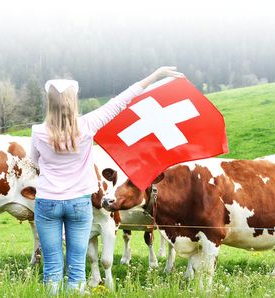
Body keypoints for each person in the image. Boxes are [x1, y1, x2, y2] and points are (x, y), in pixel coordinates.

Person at [30, 66, 184, 294]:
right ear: (73, 101)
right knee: (76, 268)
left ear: (49, 103)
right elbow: (121, 100)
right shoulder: (88, 125)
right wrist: (155, 75)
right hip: (79, 204)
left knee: (52, 267)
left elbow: (34, 162)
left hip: (47, 203)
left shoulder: (38, 132)